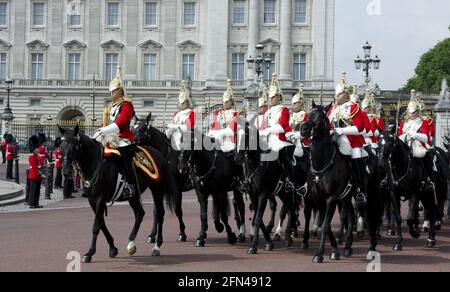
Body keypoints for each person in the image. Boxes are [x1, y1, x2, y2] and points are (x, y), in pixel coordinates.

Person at [93, 66, 136, 200]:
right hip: (108, 136)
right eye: (111, 91)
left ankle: (129, 184)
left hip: (123, 137)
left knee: (123, 155)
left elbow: (121, 123)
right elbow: (105, 123)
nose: (112, 94)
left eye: (114, 91)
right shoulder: (109, 107)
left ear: (120, 90)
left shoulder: (127, 105)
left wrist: (103, 131)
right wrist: (99, 131)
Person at [328, 72, 368, 206]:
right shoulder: (333, 110)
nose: (336, 97)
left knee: (356, 155)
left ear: (345, 94)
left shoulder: (353, 106)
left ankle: (359, 190)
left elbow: (360, 127)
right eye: (336, 94)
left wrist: (343, 130)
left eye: (339, 94)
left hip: (352, 141)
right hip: (334, 138)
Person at [259, 73, 295, 192]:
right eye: (269, 97)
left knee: (283, 156)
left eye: (273, 97)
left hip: (279, 140)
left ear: (279, 97)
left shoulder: (283, 109)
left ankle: (290, 180)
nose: (270, 99)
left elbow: (283, 127)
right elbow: (262, 126)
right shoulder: (267, 112)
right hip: (267, 141)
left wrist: (268, 130)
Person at [397, 89, 435, 192]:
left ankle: (429, 180)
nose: (412, 114)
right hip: (405, 145)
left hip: (418, 145)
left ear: (418, 112)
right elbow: (399, 135)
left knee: (425, 156)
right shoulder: (403, 123)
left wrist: (415, 135)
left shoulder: (423, 122)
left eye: (414, 112)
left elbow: (426, 137)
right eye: (410, 112)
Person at [208, 80, 239, 153]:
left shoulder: (236, 114)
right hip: (218, 141)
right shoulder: (219, 114)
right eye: (223, 101)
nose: (224, 103)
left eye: (227, 101)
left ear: (231, 102)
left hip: (230, 141)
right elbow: (215, 127)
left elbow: (232, 129)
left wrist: (219, 133)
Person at [166, 80, 196, 151]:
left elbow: (189, 127)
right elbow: (172, 124)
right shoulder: (176, 114)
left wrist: (174, 126)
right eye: (180, 102)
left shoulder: (191, 113)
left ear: (187, 102)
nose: (181, 104)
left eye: (183, 102)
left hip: (186, 137)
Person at [286, 83, 311, 158]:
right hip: (291, 139)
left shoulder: (307, 115)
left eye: (295, 104)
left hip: (303, 141)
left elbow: (308, 131)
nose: (292, 106)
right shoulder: (291, 115)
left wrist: (298, 135)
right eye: (292, 104)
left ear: (301, 104)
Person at [28, 136, 43, 209]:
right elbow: (34, 166)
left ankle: (36, 203)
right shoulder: (31, 157)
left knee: (37, 190)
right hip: (34, 175)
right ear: (34, 149)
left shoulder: (38, 156)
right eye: (37, 148)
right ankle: (32, 203)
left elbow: (40, 164)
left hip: (38, 175)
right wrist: (39, 173)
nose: (38, 149)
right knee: (33, 190)